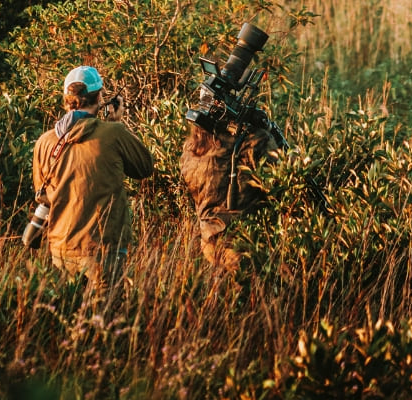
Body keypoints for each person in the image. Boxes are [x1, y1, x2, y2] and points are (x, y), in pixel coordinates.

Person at [32, 64, 153, 287]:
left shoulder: (45, 142)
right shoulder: (112, 134)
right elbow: (144, 167)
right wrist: (117, 123)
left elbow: (43, 193)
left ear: (65, 100)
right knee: (103, 316)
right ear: (99, 97)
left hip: (60, 248)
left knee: (69, 316)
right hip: (103, 249)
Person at [179, 110, 279, 271]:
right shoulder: (253, 142)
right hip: (242, 244)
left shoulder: (192, 149)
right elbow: (280, 184)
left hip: (208, 242)